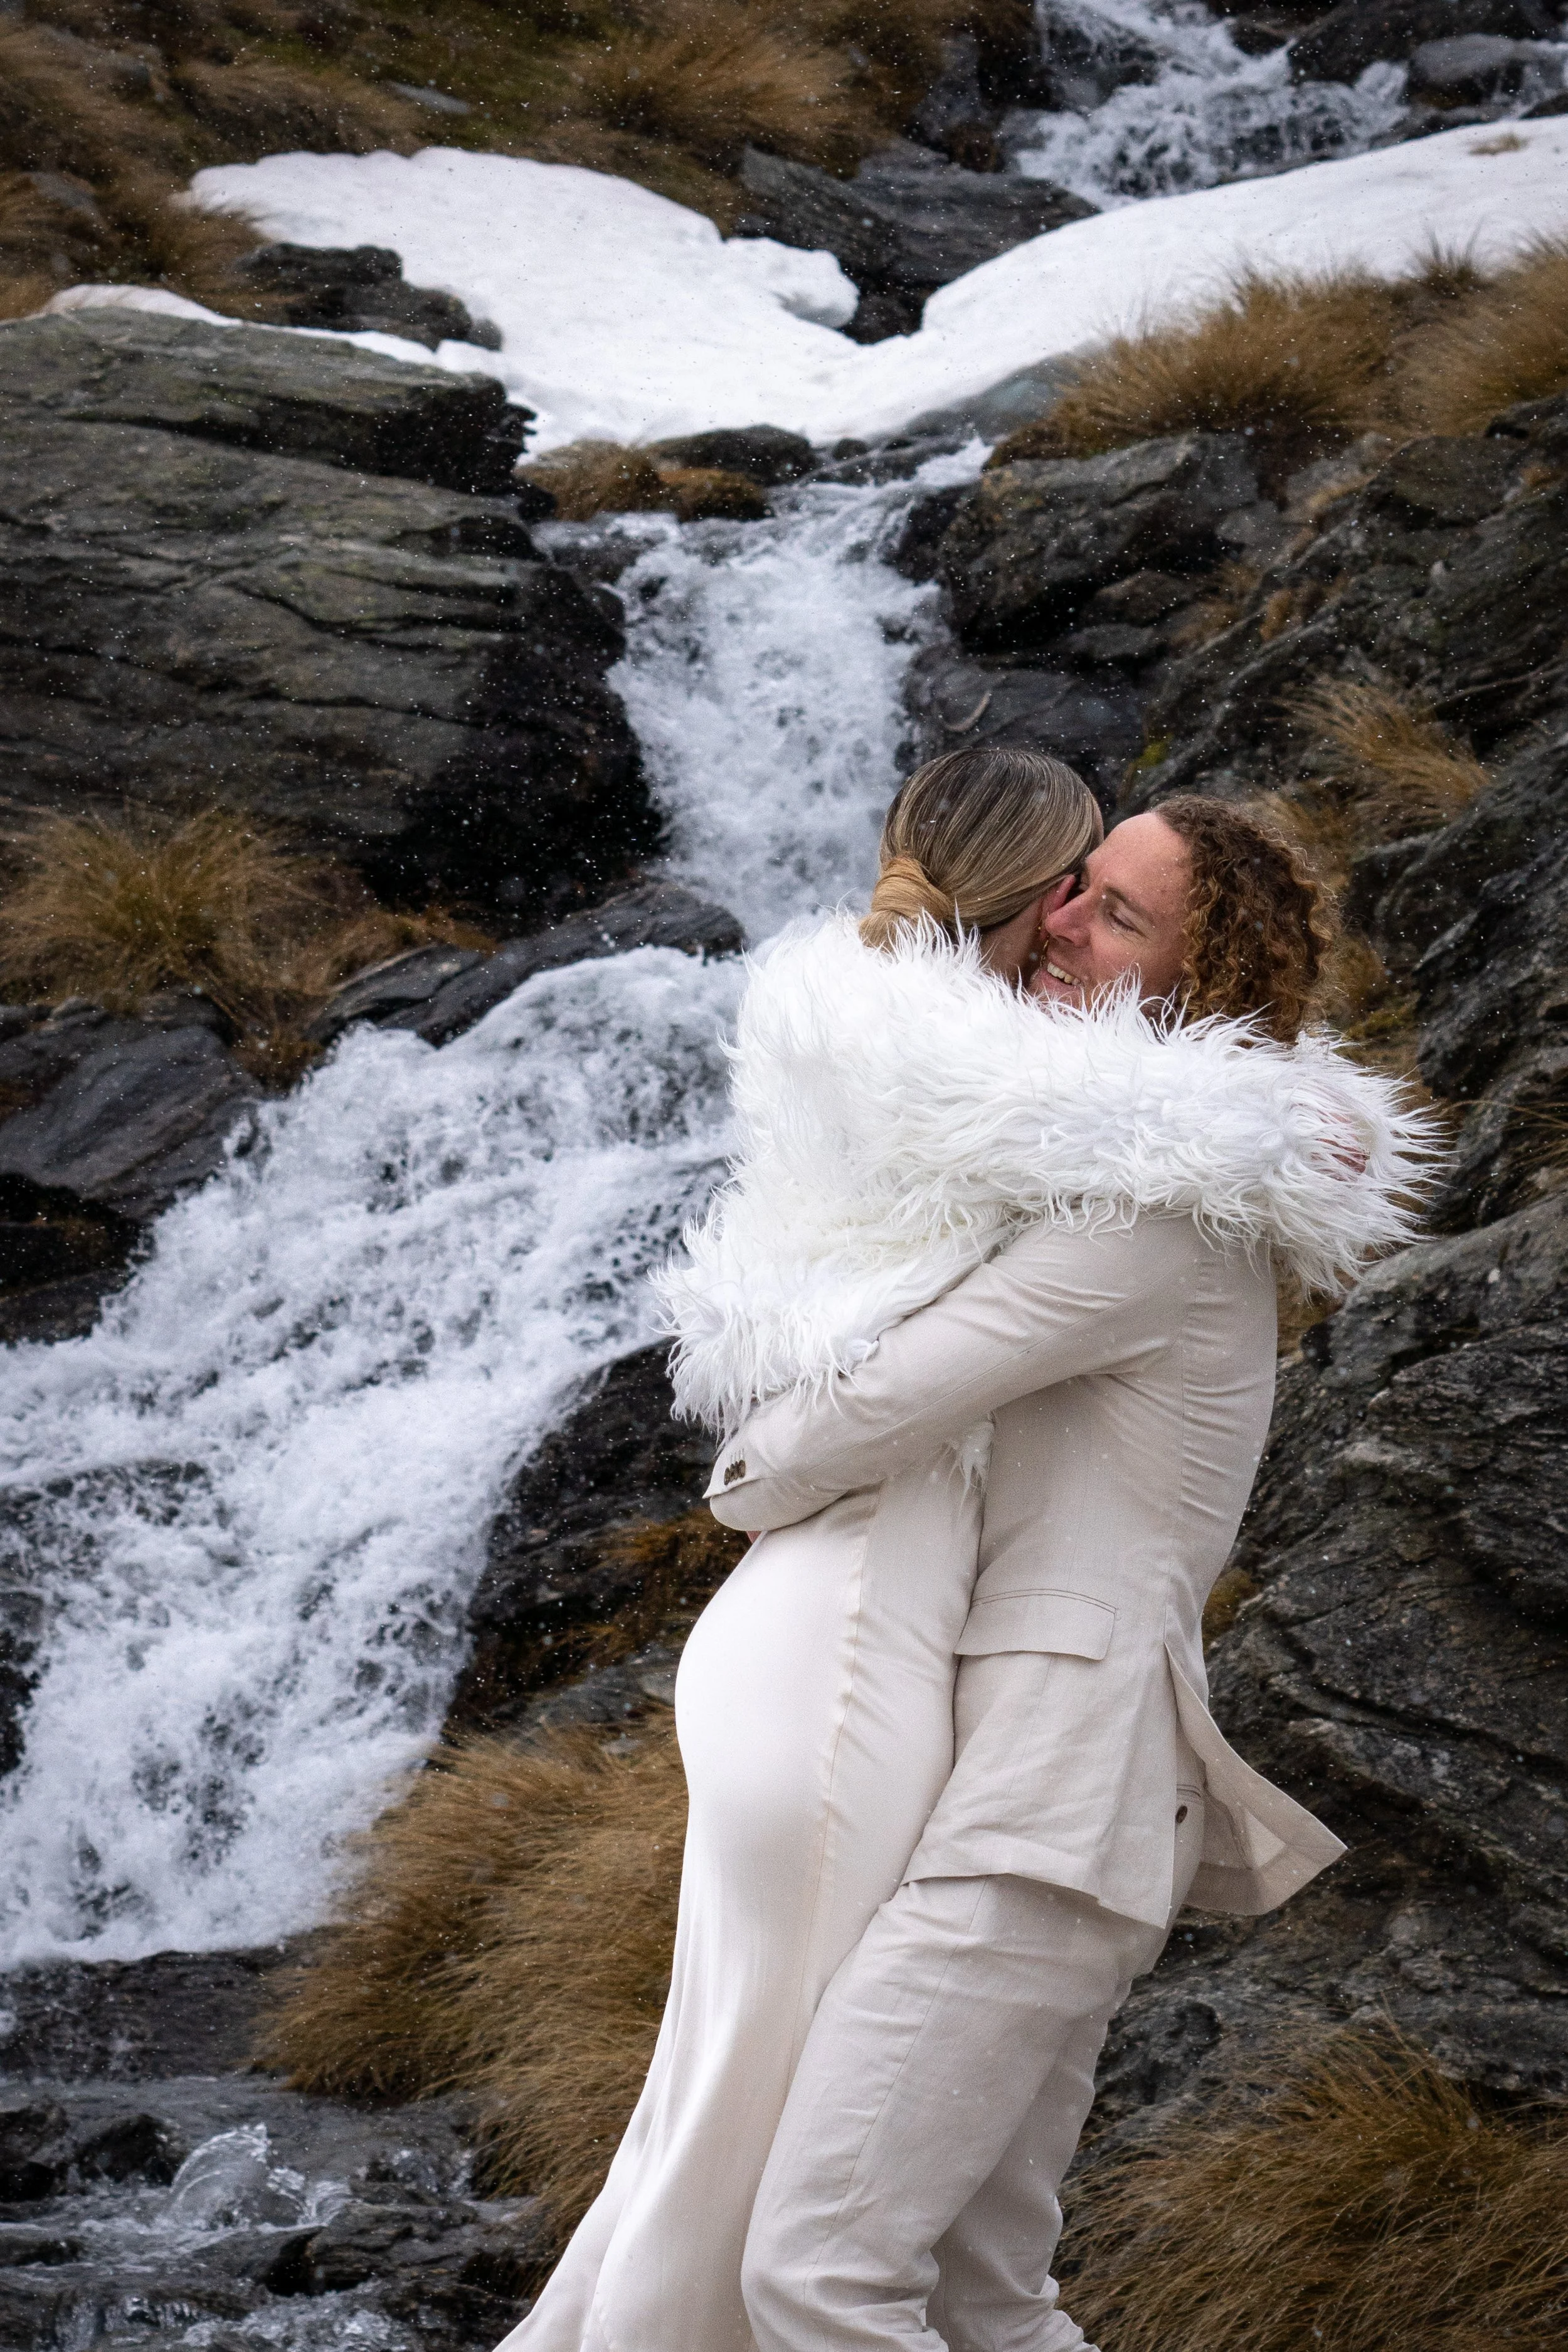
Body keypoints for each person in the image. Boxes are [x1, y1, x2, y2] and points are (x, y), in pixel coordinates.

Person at [497, 752, 1431, 2352]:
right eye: (1070, 889)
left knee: (819, 2275)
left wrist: (737, 1478)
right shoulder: (1134, 1184)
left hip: (1045, 1812)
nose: (1062, 928)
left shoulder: (1152, 1222)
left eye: (1114, 915)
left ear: (1193, 979)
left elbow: (875, 1407)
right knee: (986, 2299)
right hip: (1057, 1803)